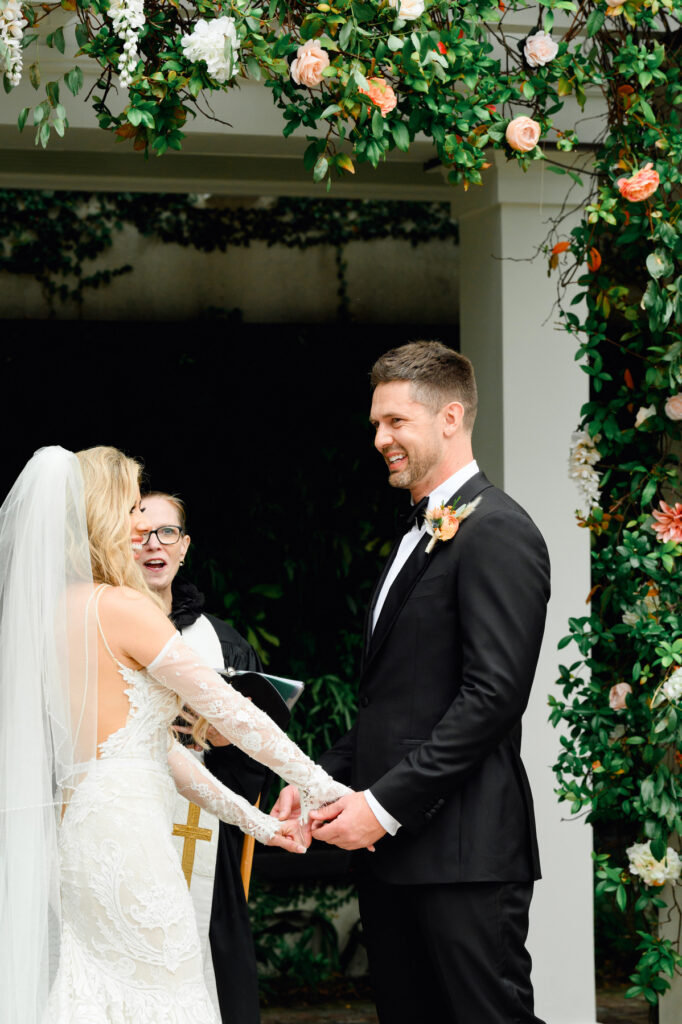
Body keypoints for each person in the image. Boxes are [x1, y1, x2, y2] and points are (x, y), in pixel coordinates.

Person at [0, 445, 349, 1024]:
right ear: (108, 510)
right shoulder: (124, 609)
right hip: (130, 841)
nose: (141, 523)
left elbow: (157, 748)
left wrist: (256, 822)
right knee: (169, 997)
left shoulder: (52, 614)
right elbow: (235, 713)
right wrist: (324, 788)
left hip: (82, 835)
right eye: (133, 504)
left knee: (99, 996)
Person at [274, 341, 551, 1024]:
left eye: (396, 422)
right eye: (376, 424)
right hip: (393, 861)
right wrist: (312, 782)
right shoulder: (414, 536)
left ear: (450, 417)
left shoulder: (500, 532)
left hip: (463, 857)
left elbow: (491, 700)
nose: (380, 439)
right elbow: (391, 706)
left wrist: (383, 805)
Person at [137, 491, 266, 1024]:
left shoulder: (223, 645)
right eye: (139, 533)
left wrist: (222, 740)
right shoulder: (93, 629)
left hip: (204, 839)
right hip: (126, 827)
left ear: (184, 547)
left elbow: (263, 751)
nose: (153, 545)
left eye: (167, 533)